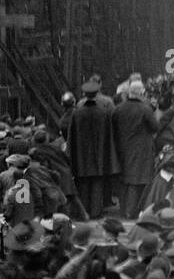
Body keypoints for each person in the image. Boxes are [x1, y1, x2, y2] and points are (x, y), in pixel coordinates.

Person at [68, 78, 121, 217]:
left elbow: (71, 136)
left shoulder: (77, 112)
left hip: (81, 155)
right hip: (99, 154)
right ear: (97, 92)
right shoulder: (103, 112)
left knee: (83, 183)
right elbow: (108, 135)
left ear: (84, 94)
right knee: (97, 183)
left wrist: (71, 155)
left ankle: (84, 211)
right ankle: (96, 212)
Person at [113, 81, 160, 218]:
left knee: (123, 179)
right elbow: (154, 127)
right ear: (141, 92)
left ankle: (122, 210)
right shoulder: (145, 109)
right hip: (140, 150)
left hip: (121, 148)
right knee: (136, 180)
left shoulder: (118, 109)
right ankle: (131, 212)